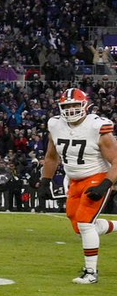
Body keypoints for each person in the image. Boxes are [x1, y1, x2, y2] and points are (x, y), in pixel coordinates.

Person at [40, 87, 117, 285]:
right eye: (67, 106)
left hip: (97, 176)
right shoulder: (55, 125)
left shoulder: (97, 127)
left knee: (84, 222)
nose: (71, 109)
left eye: (75, 104)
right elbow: (51, 156)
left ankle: (91, 273)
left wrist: (106, 184)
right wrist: (45, 181)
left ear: (85, 105)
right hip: (74, 179)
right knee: (79, 226)